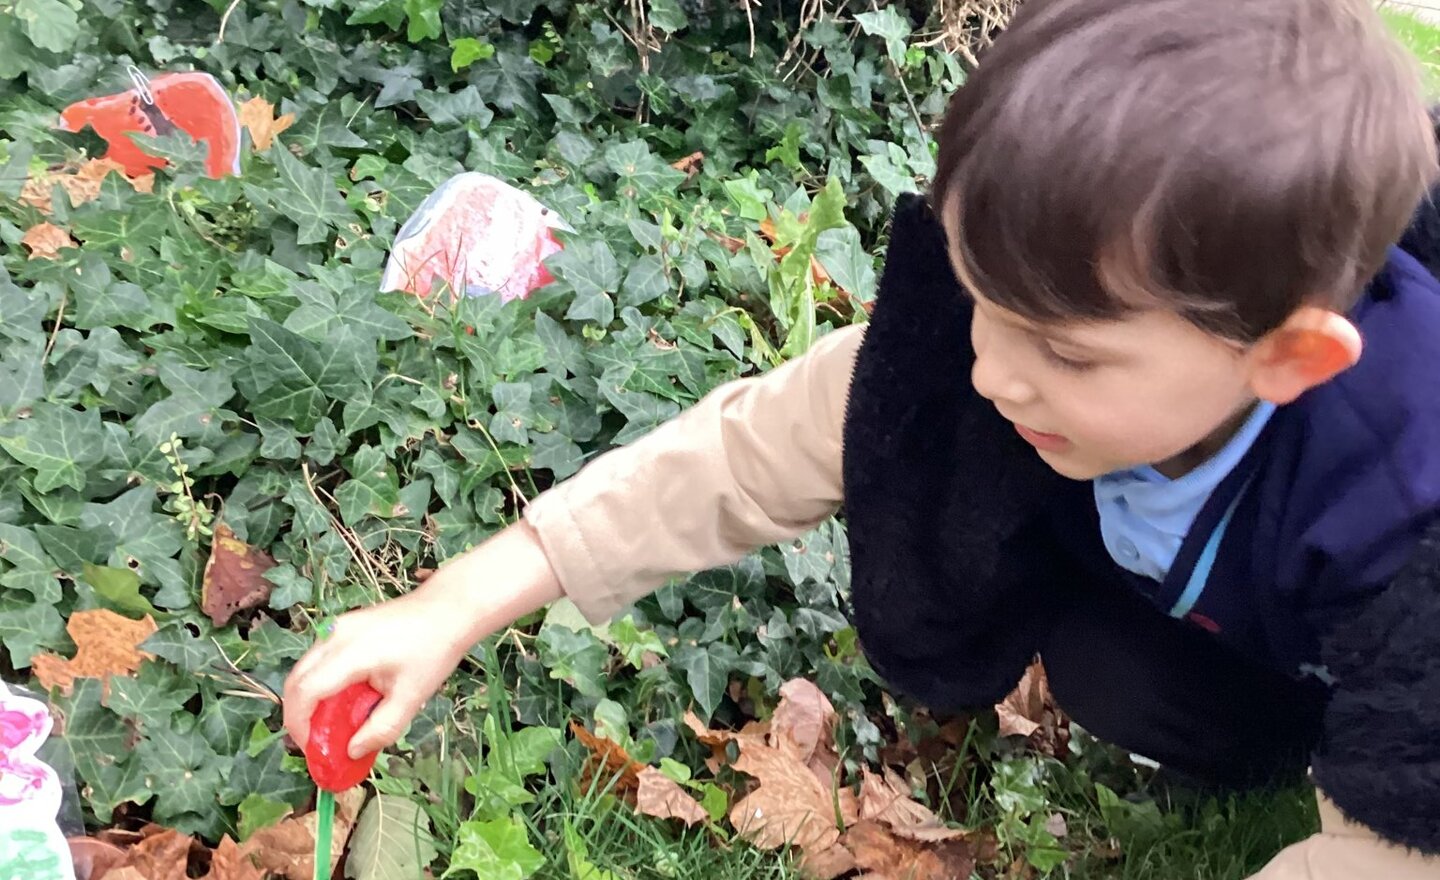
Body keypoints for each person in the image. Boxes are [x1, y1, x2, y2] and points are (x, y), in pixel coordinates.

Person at [284, 0, 1440, 875]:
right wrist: (455, 601)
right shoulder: (1006, 350)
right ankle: (1256, 736)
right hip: (1261, 634)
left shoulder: (1400, 509)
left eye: (1067, 352)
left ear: (1287, 357)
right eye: (981, 299)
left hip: (1404, 678)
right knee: (1111, 671)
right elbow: (748, 453)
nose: (991, 369)